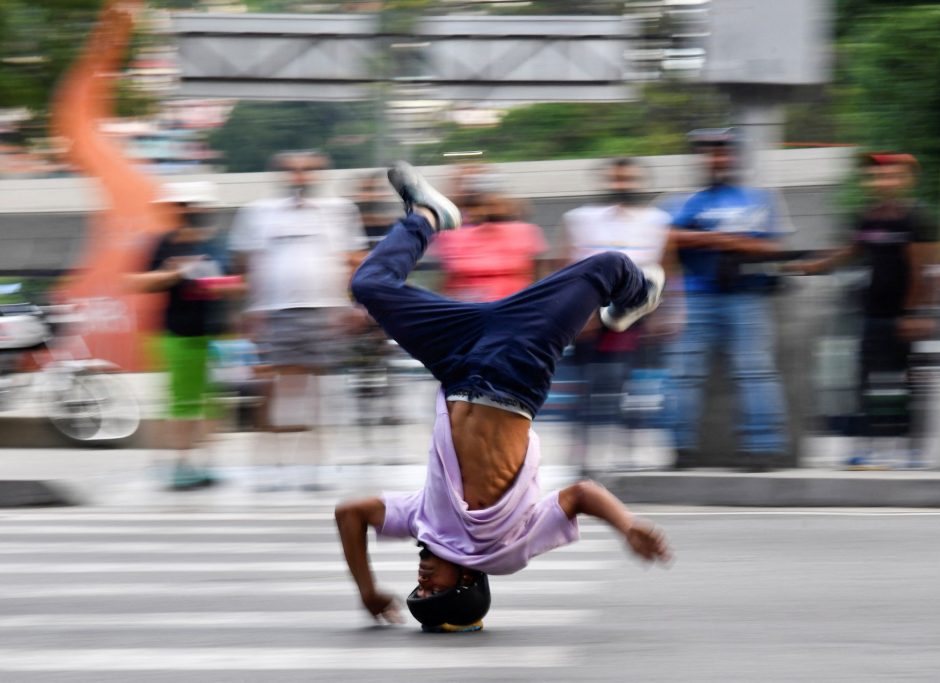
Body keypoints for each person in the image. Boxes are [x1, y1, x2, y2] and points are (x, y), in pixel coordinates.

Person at [334, 162, 672, 632]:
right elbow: (579, 495)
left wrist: (367, 589)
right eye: (434, 590)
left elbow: (349, 514)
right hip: (516, 370)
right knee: (609, 266)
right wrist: (627, 524)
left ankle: (428, 215)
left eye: (418, 588)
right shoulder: (507, 551)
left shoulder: (422, 521)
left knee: (368, 286)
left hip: (454, 362)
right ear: (468, 583)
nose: (422, 578)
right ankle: (636, 297)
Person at [791, 153, 940, 468]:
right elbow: (850, 250)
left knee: (907, 383)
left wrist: (916, 313)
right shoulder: (866, 217)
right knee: (865, 382)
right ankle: (866, 447)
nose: (883, 181)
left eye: (891, 175)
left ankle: (912, 450)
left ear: (905, 180)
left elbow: (925, 267)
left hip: (905, 316)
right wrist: (811, 266)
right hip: (872, 313)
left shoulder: (917, 217)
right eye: (877, 176)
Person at [228, 150, 367, 490]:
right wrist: (247, 311)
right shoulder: (258, 213)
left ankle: (312, 468)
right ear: (281, 175)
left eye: (308, 171)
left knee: (316, 393)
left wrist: (353, 305)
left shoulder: (339, 211)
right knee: (271, 391)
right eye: (293, 171)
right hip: (274, 312)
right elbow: (245, 264)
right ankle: (269, 467)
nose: (300, 176)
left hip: (323, 310)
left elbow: (354, 260)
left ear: (320, 175)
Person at [668, 128, 790, 472]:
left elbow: (773, 248)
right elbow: (665, 237)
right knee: (684, 374)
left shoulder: (759, 199)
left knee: (756, 371)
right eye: (708, 152)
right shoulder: (683, 200)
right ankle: (682, 449)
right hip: (696, 297)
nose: (716, 158)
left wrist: (713, 240)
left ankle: (763, 447)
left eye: (722, 151)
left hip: (747, 295)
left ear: (735, 157)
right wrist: (725, 239)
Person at [561, 158, 672, 471]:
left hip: (639, 314)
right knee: (587, 386)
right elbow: (567, 265)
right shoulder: (581, 218)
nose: (623, 184)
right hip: (590, 314)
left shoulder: (657, 221)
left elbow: (667, 267)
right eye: (617, 178)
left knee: (631, 386)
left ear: (641, 181)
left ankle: (628, 454)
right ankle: (582, 455)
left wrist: (666, 312)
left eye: (629, 178)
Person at [130, 181, 236, 490]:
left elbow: (232, 282)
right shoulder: (163, 244)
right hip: (178, 334)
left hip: (214, 335)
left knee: (211, 403)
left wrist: (219, 284)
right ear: (178, 210)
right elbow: (138, 281)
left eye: (200, 206)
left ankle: (204, 463)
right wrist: (175, 273)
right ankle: (180, 464)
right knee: (181, 403)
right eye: (188, 206)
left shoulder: (216, 244)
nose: (195, 212)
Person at [431, 170, 548, 303]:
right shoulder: (452, 236)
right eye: (484, 201)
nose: (491, 206)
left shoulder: (527, 232)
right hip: (467, 310)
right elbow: (445, 278)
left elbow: (539, 278)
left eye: (495, 200)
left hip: (515, 309)